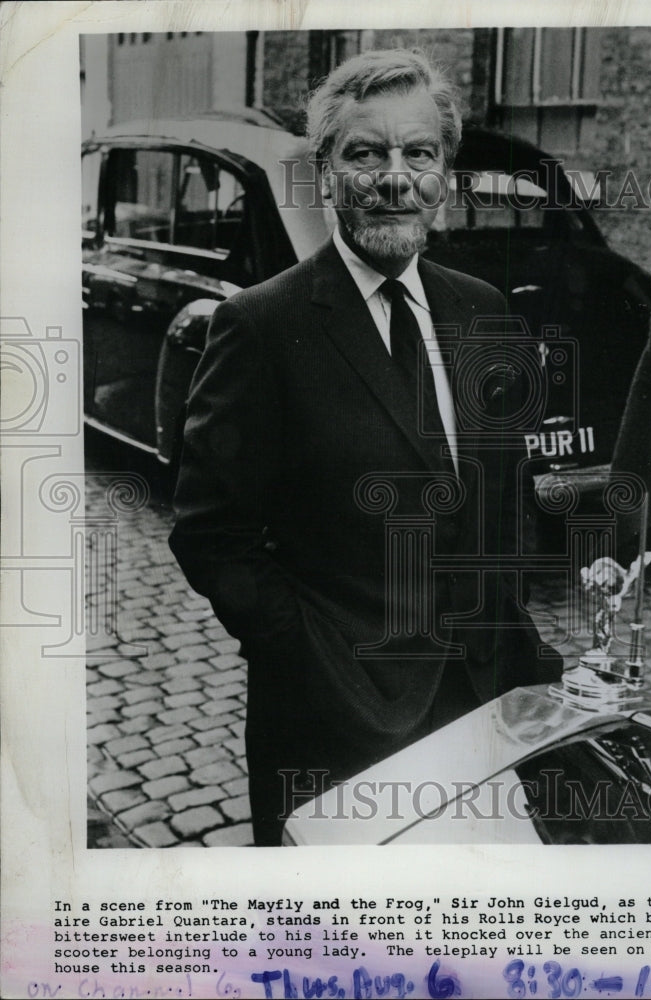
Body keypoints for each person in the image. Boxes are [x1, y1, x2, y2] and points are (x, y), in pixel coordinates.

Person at [169, 48, 561, 846]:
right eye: (364, 152)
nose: (393, 176)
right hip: (332, 727)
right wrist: (314, 662)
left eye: (418, 152)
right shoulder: (260, 326)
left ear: (444, 175)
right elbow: (212, 538)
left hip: (480, 704)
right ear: (326, 173)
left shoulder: (482, 311)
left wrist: (516, 649)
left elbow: (499, 498)